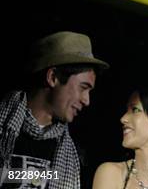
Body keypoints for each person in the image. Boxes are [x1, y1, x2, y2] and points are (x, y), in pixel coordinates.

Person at [0, 31, 109, 189]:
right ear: (52, 78)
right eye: (83, 87)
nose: (87, 100)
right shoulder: (4, 128)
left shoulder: (75, 156)